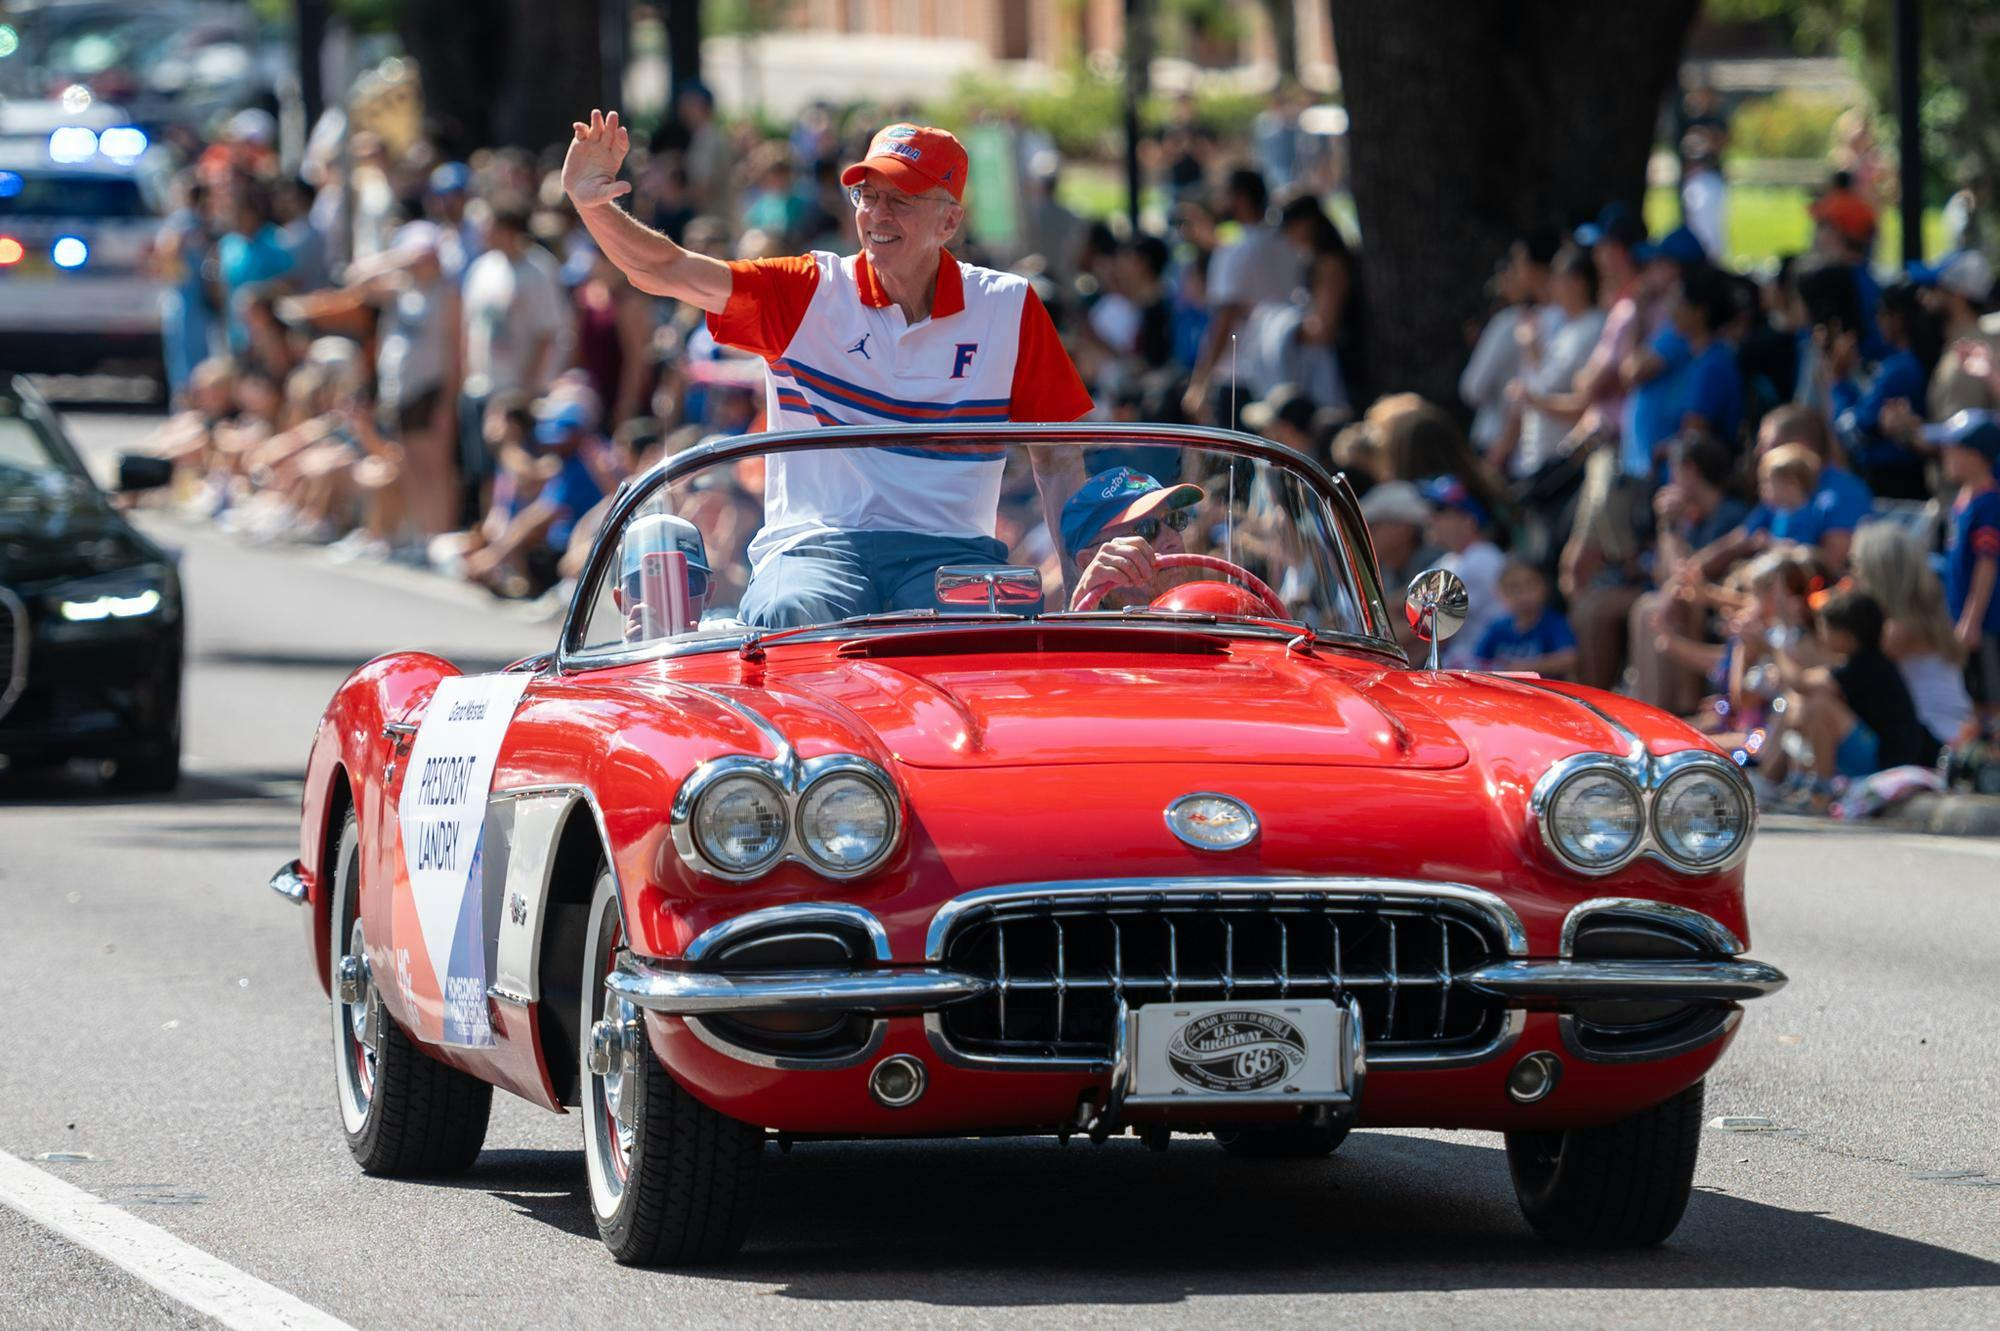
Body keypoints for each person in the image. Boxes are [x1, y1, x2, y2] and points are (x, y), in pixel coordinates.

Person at [563, 110, 1093, 629]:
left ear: (950, 220)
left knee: (994, 625)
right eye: (868, 196)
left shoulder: (1008, 305)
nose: (877, 214)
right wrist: (593, 205)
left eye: (901, 199)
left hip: (952, 552)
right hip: (817, 545)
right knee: (793, 613)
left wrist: (1077, 595)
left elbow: (1058, 461)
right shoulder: (810, 289)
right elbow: (669, 269)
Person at [1777, 589, 1940, 809]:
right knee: (1804, 704)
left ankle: (1822, 791)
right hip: (1879, 754)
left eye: (1826, 627)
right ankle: (1802, 781)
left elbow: (1800, 682)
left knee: (1819, 706)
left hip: (1887, 762)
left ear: (1846, 636)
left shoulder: (1866, 665)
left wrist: (1777, 650)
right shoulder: (1864, 662)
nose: (1821, 632)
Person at [1182, 168, 1300, 421]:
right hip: (1284, 369)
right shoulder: (1286, 245)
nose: (1219, 202)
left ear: (1241, 199)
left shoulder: (1235, 250)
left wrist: (1200, 382)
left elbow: (1225, 319)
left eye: (1225, 194)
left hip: (1240, 377)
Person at [1932, 409, 2000, 724]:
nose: (1945, 455)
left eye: (1953, 448)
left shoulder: (1989, 503)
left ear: (1975, 456)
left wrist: (1971, 622)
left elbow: (1987, 565)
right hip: (1960, 617)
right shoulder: (1963, 498)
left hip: (1985, 625)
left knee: (1991, 698)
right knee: (1972, 696)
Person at [1059, 468, 1205, 611]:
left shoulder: (1215, 613)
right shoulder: (1087, 634)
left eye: (1174, 520)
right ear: (1089, 561)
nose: (1173, 539)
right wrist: (1082, 615)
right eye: (1147, 529)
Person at [1421, 476, 1506, 666]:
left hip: (1484, 675)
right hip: (1461, 671)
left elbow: (1432, 631)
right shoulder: (1452, 559)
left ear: (1469, 520)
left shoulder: (1482, 559)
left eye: (1440, 510)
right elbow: (1404, 603)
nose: (1429, 518)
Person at [1471, 559, 1577, 677]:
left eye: (1529, 585)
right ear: (1500, 593)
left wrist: (1527, 667)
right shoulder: (1497, 627)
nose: (1523, 593)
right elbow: (1477, 660)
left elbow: (1569, 658)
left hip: (1543, 691)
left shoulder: (1554, 624)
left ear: (1544, 587)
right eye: (1514, 587)